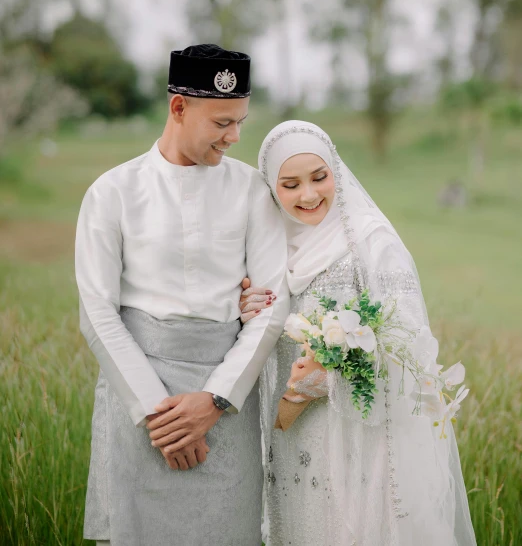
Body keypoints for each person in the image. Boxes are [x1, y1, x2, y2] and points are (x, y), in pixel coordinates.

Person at [75, 44, 289, 546]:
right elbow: (97, 314)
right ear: (178, 108)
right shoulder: (112, 192)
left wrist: (214, 401)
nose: (235, 137)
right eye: (221, 123)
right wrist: (158, 413)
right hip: (140, 405)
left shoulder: (253, 190)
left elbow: (272, 306)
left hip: (226, 406)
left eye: (240, 121)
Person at [240, 120, 477, 546]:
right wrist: (245, 310)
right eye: (290, 184)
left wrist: (331, 369)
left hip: (363, 439)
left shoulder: (373, 243)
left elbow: (407, 341)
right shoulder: (269, 251)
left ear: (337, 172)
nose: (309, 195)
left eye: (319, 177)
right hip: (291, 441)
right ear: (272, 189)